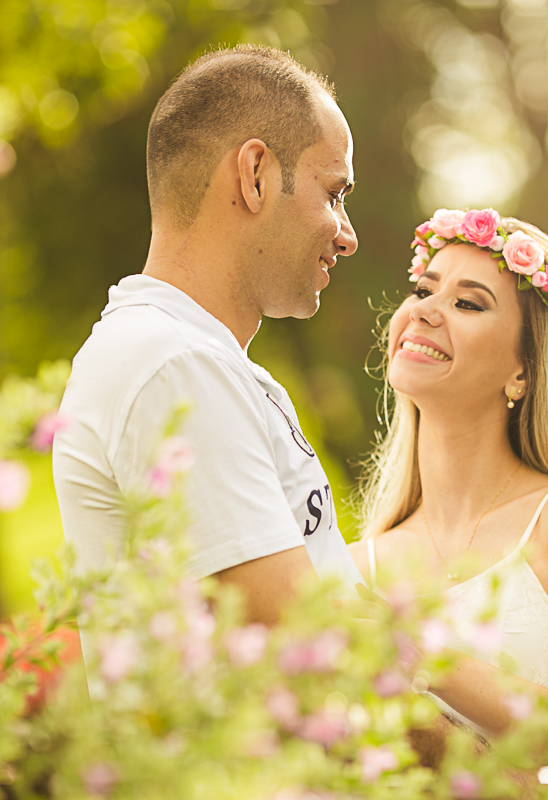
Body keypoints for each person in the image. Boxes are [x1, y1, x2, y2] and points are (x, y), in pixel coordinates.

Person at [53, 45, 364, 635]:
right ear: (255, 175)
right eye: (334, 194)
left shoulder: (194, 358)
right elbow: (307, 645)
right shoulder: (174, 362)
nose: (347, 235)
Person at [349, 209, 548, 781]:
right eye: (423, 290)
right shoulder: (353, 568)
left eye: (468, 303)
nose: (424, 310)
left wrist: (416, 653)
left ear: (523, 371)